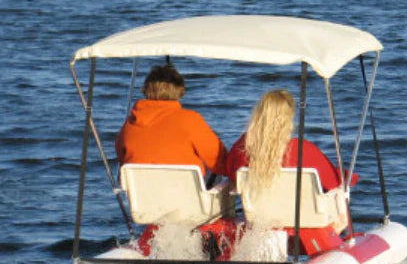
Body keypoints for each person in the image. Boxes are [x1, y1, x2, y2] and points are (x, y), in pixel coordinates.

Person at [225, 89, 358, 192]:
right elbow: (333, 183)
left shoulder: (243, 146)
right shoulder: (302, 149)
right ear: (288, 119)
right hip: (303, 222)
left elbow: (229, 171)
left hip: (258, 219)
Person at [115, 64, 228, 178]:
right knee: (215, 172)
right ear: (180, 91)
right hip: (185, 190)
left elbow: (122, 158)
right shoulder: (190, 119)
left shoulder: (130, 123)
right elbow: (217, 159)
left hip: (141, 192)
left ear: (145, 90)